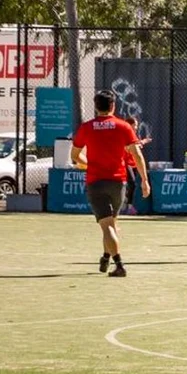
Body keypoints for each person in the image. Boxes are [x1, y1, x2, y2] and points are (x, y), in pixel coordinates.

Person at [71, 90, 151, 278]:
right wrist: (144, 180)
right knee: (111, 223)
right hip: (118, 182)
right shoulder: (123, 126)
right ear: (113, 106)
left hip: (96, 182)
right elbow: (137, 154)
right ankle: (106, 256)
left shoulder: (86, 127)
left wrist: (88, 164)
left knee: (107, 225)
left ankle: (119, 264)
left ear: (95, 106)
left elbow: (75, 155)